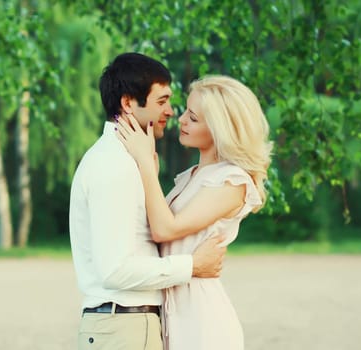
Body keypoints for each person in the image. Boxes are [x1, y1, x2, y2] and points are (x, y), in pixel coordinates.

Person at [68, 53, 227, 350]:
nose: (170, 111)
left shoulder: (128, 162)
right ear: (128, 103)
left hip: (125, 326)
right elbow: (115, 270)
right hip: (124, 327)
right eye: (161, 101)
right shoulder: (113, 165)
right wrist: (192, 265)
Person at [115, 75, 273, 350]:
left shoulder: (231, 181)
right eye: (185, 111)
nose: (181, 120)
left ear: (219, 129)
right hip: (173, 310)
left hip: (202, 318)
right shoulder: (190, 176)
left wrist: (144, 162)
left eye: (193, 117)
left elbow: (164, 229)